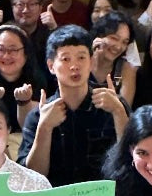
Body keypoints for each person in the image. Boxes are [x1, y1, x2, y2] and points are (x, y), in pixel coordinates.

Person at [18, 25, 128, 186]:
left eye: (81, 57)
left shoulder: (113, 105)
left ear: (91, 62)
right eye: (66, 59)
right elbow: (33, 177)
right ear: (51, 66)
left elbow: (132, 161)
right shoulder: (39, 115)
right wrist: (44, 127)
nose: (74, 66)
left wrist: (119, 112)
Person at [90, 12, 137, 106]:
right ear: (100, 36)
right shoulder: (82, 61)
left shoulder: (126, 68)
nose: (119, 47)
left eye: (124, 42)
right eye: (114, 38)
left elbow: (125, 109)